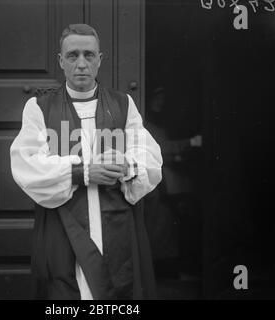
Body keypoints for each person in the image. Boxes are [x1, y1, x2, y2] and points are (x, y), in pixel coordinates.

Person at [10, 24, 163, 300]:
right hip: (63, 229)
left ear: (100, 60)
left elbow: (149, 157)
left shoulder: (122, 104)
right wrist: (83, 172)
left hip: (116, 229)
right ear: (61, 61)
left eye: (89, 55)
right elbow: (26, 165)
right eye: (73, 55)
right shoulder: (40, 108)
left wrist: (127, 167)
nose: (81, 63)